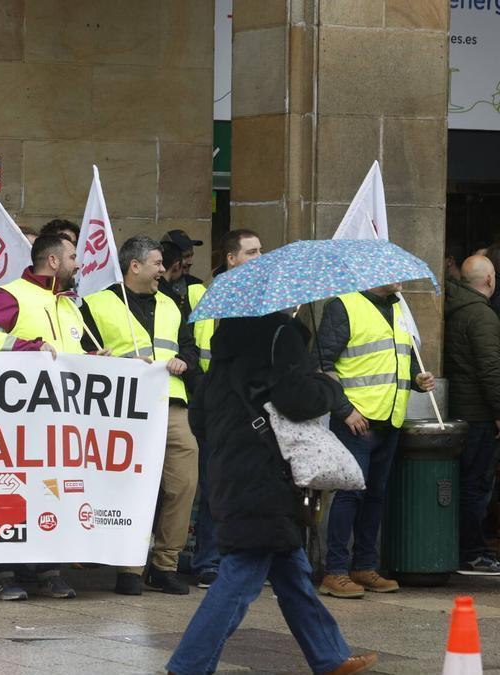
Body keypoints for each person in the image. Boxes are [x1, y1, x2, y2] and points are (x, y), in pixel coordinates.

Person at [166, 312, 378, 675]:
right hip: (266, 474)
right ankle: (188, 666)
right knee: (240, 575)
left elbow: (198, 417)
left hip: (229, 471)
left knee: (291, 570)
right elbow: (295, 398)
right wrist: (329, 387)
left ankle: (330, 657)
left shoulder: (225, 345)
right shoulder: (282, 335)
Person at [0, 233, 87, 601]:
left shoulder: (69, 305)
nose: (78, 263)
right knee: (9, 491)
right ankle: (4, 572)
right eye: (72, 257)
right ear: (53, 261)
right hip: (15, 418)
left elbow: (75, 354)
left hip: (59, 420)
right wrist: (31, 348)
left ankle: (49, 569)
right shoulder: (11, 294)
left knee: (53, 493)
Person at [82, 235, 199, 597]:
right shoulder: (96, 304)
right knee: (130, 488)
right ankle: (129, 567)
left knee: (183, 485)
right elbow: (83, 352)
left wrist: (186, 361)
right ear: (135, 266)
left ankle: (165, 566)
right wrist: (116, 365)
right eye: (157, 263)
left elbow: (191, 347)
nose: (164, 270)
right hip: (124, 411)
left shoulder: (173, 304)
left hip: (172, 405)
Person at [316, 284, 435, 598]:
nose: (399, 279)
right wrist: (344, 411)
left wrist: (418, 381)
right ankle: (335, 571)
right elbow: (322, 366)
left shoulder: (397, 307)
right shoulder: (343, 305)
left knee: (374, 496)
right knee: (349, 494)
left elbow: (401, 361)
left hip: (389, 417)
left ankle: (364, 566)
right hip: (357, 420)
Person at [190, 228, 263, 589]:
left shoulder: (261, 304)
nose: (259, 258)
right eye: (251, 252)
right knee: (214, 487)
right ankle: (209, 561)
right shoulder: (205, 298)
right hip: (217, 408)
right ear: (231, 259)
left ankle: (241, 558)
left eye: (260, 251)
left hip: (252, 409)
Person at [444, 255, 500, 575]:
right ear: (489, 281)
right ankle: (473, 551)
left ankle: (467, 547)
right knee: (477, 486)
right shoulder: (483, 316)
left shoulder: (456, 309)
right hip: (479, 414)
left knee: (465, 484)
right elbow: (490, 369)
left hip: (462, 410)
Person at [161, 229, 206, 314]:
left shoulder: (196, 285)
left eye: (191, 256)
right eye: (186, 256)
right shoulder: (151, 286)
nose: (191, 262)